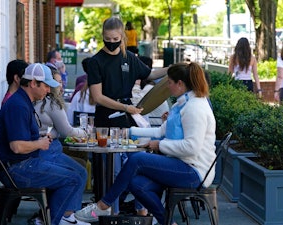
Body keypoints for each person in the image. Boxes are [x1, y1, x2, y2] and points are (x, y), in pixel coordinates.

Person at [75, 62, 216, 225]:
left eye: (169, 82)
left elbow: (192, 147)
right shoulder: (182, 104)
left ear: (180, 84)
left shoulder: (195, 108)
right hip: (182, 164)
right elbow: (159, 132)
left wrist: (159, 146)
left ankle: (103, 205)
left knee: (137, 159)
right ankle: (168, 222)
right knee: (136, 184)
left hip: (194, 172)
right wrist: (126, 132)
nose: (167, 87)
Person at [0, 63, 90, 225]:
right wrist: (39, 143)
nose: (48, 90)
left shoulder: (22, 101)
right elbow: (17, 146)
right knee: (73, 179)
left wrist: (40, 136)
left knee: (77, 173)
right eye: (45, 86)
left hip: (22, 164)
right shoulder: (18, 106)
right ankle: (50, 221)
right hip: (17, 169)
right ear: (32, 83)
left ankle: (55, 218)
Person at [85, 17, 168, 206]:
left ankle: (141, 210)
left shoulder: (129, 58)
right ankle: (108, 209)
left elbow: (150, 74)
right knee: (110, 170)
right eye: (108, 38)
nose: (112, 42)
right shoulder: (96, 62)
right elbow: (97, 97)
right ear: (102, 36)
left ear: (122, 36)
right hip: (106, 120)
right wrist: (124, 107)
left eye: (116, 39)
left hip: (127, 120)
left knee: (138, 163)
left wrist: (171, 69)